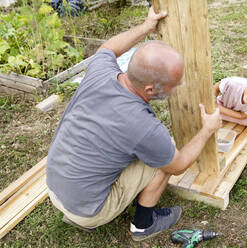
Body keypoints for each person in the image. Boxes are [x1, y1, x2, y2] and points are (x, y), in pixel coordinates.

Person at [46, 7, 221, 241]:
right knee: (165, 156)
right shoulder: (145, 128)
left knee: (151, 150)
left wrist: (146, 26)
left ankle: (85, 205)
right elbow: (178, 166)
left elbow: (107, 48)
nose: (178, 87)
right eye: (174, 84)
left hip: (54, 189)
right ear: (150, 90)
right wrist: (208, 129)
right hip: (86, 211)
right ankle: (144, 225)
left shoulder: (100, 71)